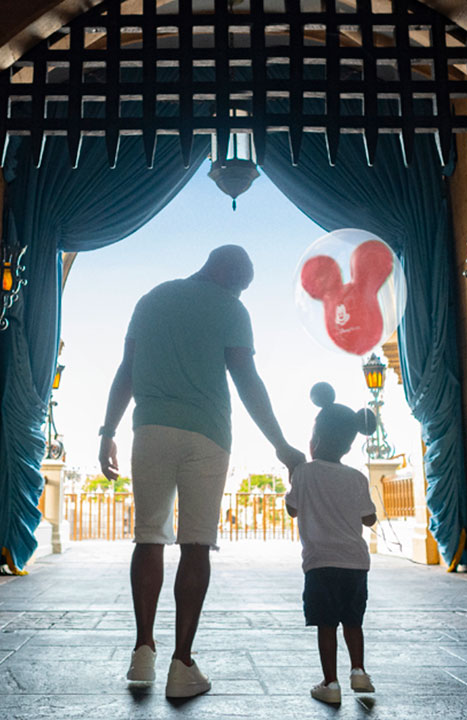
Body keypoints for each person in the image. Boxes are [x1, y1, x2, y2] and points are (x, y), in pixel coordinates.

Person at [99, 245, 307, 698]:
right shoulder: (231, 309)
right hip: (208, 436)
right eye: (240, 285)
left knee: (149, 535)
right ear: (227, 274)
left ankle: (142, 652)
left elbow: (126, 370)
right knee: (196, 545)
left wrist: (107, 431)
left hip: (149, 430)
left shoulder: (151, 299)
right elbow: (247, 380)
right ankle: (182, 664)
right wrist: (281, 445)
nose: (239, 293)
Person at [285, 382, 379, 705]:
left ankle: (330, 683)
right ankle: (359, 671)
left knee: (326, 624)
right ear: (349, 448)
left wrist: (292, 477)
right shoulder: (356, 477)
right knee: (353, 621)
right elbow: (369, 519)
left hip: (320, 563)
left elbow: (292, 508)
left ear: (316, 441)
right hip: (355, 563)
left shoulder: (304, 473)